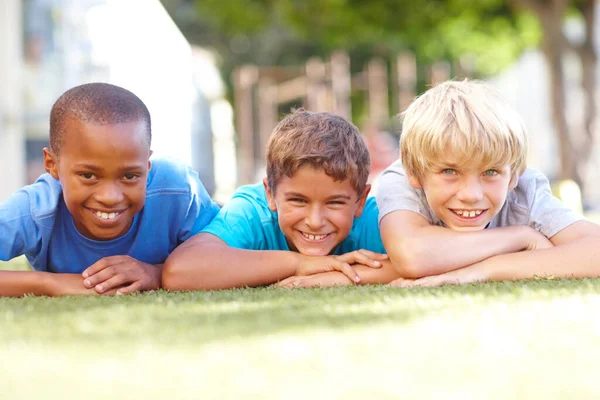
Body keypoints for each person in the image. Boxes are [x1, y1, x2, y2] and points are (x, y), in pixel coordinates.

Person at [0, 83, 219, 297]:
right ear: (52, 165)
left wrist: (157, 274)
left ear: (147, 166)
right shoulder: (36, 209)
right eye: (88, 176)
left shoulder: (178, 193)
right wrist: (52, 283)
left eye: (129, 176)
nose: (110, 197)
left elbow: (229, 258)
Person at [376, 79, 600, 287]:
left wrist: (486, 269)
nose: (471, 195)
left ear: (513, 175)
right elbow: (412, 255)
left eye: (490, 172)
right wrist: (521, 237)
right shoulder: (400, 181)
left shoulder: (523, 192)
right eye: (449, 171)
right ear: (414, 172)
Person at [162, 109, 400, 290]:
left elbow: (422, 260)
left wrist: (335, 276)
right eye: (298, 201)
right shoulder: (252, 211)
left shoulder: (376, 219)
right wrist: (299, 264)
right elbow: (180, 271)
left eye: (335, 203)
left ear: (360, 201)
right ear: (270, 194)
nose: (315, 221)